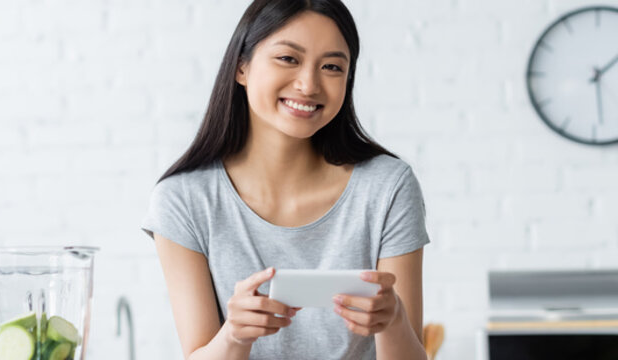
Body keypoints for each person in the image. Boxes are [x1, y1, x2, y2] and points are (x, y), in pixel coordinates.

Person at [140, 0, 430, 359]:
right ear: (241, 66)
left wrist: (394, 320)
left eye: (331, 66)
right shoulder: (183, 200)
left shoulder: (388, 187)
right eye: (288, 59)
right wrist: (234, 336)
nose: (308, 84)